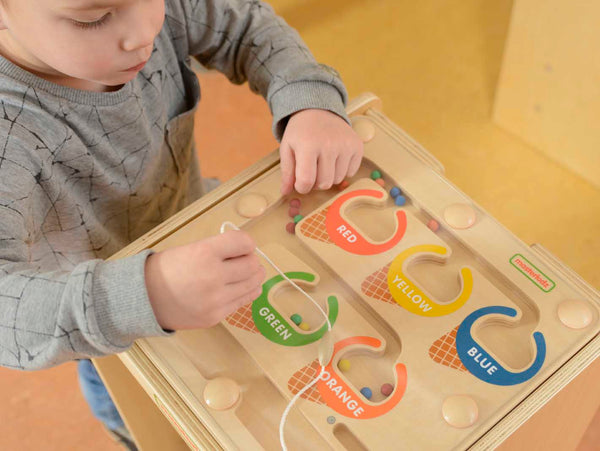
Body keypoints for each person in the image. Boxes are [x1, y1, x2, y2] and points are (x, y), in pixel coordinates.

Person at [0, 0, 363, 447]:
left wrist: (310, 102)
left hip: (199, 233)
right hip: (114, 332)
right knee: (144, 416)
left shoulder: (154, 11)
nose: (143, 34)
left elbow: (247, 24)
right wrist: (146, 294)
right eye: (93, 19)